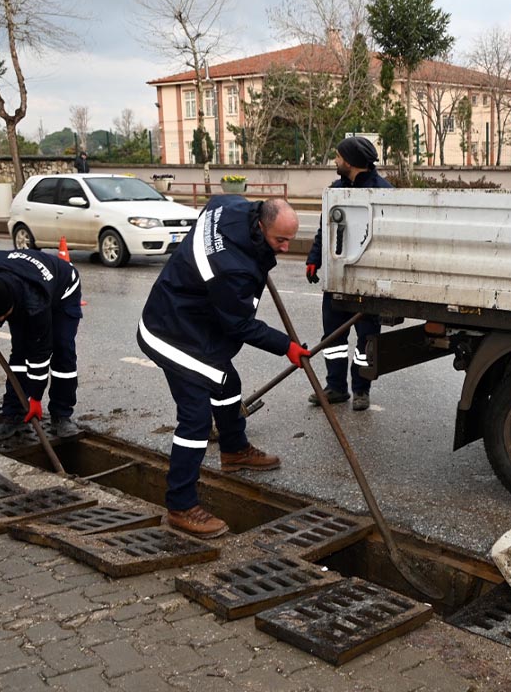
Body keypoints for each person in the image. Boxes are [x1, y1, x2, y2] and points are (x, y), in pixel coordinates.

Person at [137, 195, 311, 539]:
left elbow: (213, 203)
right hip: (171, 331)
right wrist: (286, 347)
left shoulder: (231, 206)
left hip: (195, 318)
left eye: (291, 239)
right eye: (280, 241)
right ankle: (181, 505)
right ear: (260, 227)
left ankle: (234, 450)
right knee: (196, 419)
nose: (287, 249)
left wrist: (263, 253)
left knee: (227, 383)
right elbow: (240, 326)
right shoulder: (231, 268)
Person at [304, 136, 393, 412]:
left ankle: (361, 390)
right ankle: (336, 388)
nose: (336, 161)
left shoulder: (383, 193)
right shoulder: (335, 191)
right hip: (337, 280)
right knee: (333, 339)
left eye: (339, 157)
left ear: (351, 161)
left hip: (367, 284)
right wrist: (314, 259)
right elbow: (325, 230)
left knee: (366, 341)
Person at [0, 249, 84, 440]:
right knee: (19, 352)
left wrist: (35, 398)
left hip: (64, 289)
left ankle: (61, 415)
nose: (1, 320)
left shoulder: (35, 305)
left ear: (13, 305)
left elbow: (39, 356)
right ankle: (13, 414)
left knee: (62, 349)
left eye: (4, 317)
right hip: (21, 278)